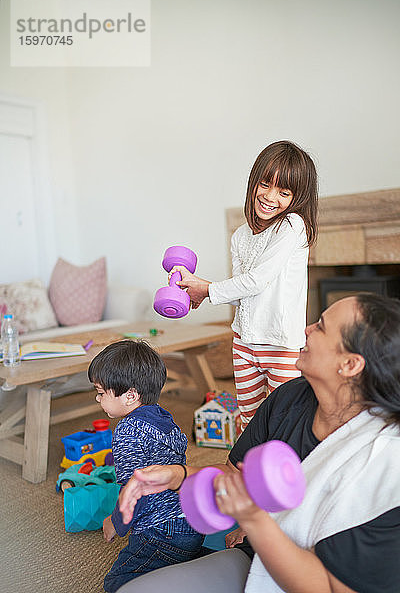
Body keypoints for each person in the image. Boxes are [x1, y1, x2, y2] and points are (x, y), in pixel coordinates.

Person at [117, 293, 400, 593]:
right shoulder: (291, 397)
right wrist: (176, 475)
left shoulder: (385, 461)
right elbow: (233, 477)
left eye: (321, 326)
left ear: (350, 364)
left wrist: (253, 520)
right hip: (258, 558)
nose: (307, 328)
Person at [170, 140, 318, 428]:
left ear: (296, 198)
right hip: (244, 342)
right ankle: (247, 469)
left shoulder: (292, 227)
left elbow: (258, 280)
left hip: (280, 343)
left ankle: (283, 470)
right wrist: (202, 292)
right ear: (254, 182)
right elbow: (244, 294)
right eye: (265, 184)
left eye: (284, 192)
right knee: (249, 418)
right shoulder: (240, 236)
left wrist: (208, 289)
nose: (270, 196)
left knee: (284, 420)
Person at [87, 340, 204, 593]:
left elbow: (135, 490)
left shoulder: (127, 431)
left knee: (117, 583)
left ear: (130, 395)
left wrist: (116, 523)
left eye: (100, 392)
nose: (98, 399)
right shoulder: (164, 416)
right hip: (192, 520)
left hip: (162, 532)